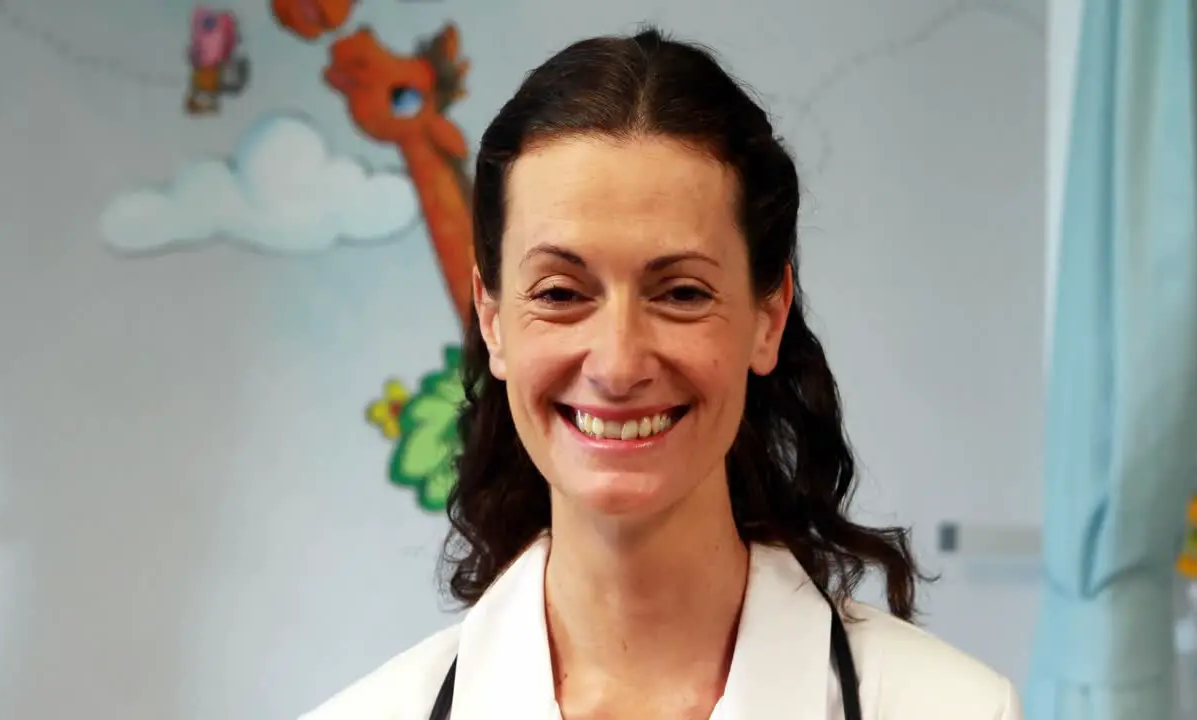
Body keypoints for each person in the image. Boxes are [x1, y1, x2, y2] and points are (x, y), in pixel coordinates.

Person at [302, 26, 1022, 720]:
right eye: (559, 294)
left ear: (768, 318)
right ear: (492, 320)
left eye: (681, 293)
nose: (617, 365)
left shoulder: (954, 709)